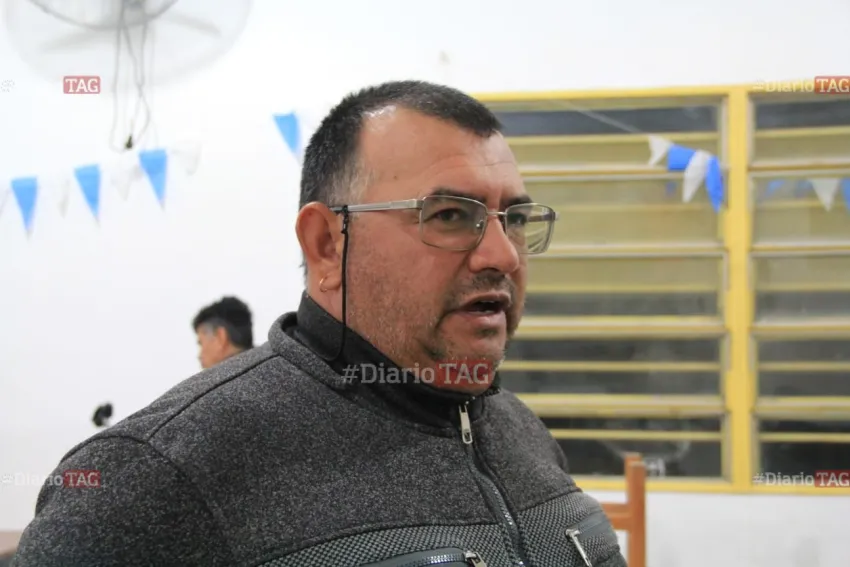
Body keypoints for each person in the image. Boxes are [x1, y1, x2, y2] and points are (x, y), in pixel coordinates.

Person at [12, 81, 627, 567]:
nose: (503, 255)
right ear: (327, 244)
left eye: (513, 218)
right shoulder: (152, 478)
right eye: (448, 215)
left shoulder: (519, 429)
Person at [192, 296, 254, 368]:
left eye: (201, 344)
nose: (199, 356)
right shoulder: (264, 364)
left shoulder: (226, 373)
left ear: (220, 336)